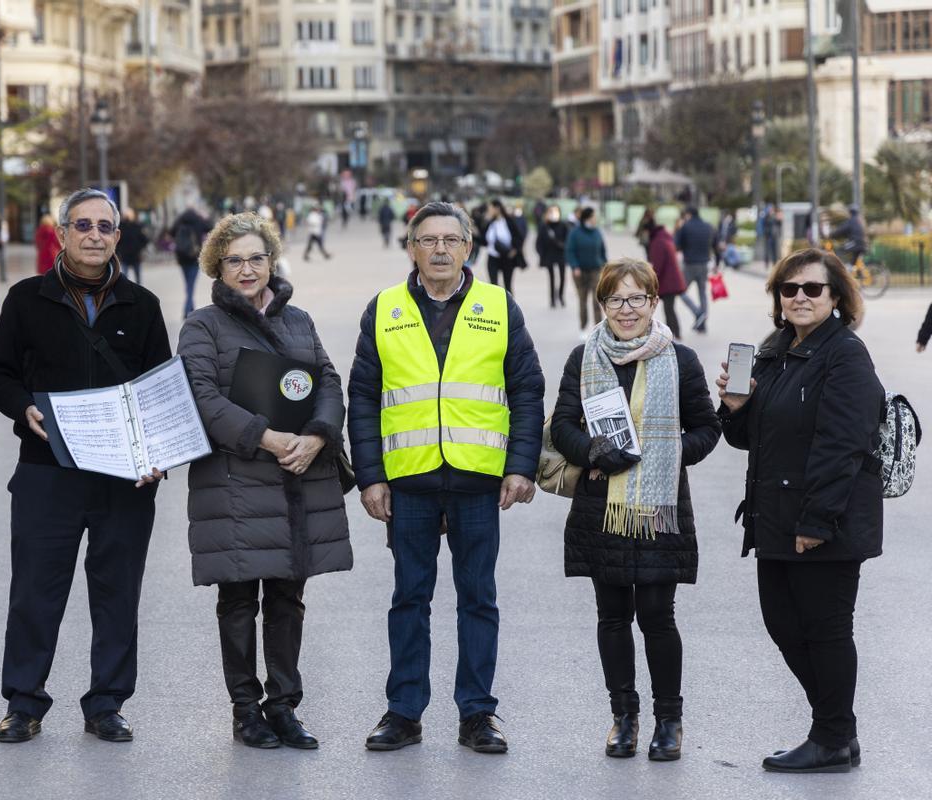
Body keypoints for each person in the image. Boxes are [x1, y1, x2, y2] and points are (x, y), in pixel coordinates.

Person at [348, 201, 544, 754]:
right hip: (408, 481)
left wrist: (521, 465)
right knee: (409, 596)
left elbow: (527, 388)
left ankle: (477, 714)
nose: (439, 249)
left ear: (468, 247)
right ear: (410, 248)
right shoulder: (384, 309)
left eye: (450, 240)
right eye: (427, 240)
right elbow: (362, 396)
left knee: (477, 598)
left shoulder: (499, 306)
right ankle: (403, 712)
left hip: (478, 479)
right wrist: (370, 475)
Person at [0, 188, 171, 745]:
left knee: (117, 594)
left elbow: (161, 391)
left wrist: (156, 456)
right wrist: (24, 408)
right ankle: (23, 701)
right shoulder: (26, 299)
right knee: (35, 593)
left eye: (104, 227)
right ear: (61, 233)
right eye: (81, 225)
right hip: (46, 471)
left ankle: (107, 703)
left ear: (117, 235)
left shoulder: (143, 304)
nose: (94, 235)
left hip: (123, 480)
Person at [178, 212, 353, 750]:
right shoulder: (201, 325)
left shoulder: (298, 319)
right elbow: (202, 398)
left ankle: (283, 706)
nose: (248, 269)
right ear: (218, 267)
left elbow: (327, 379)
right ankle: (244, 710)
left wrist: (319, 436)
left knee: (287, 598)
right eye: (235, 261)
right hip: (235, 481)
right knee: (237, 601)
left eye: (257, 258)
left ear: (271, 261)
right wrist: (270, 438)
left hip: (298, 478)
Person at [717, 248, 882, 774]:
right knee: (783, 623)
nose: (800, 298)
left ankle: (832, 736)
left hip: (823, 520)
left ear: (836, 296)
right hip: (776, 515)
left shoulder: (846, 355)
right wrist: (735, 409)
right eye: (790, 289)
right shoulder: (774, 350)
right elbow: (749, 439)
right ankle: (837, 729)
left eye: (813, 289)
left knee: (825, 628)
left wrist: (817, 522)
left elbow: (843, 446)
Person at [551, 258, 719, 763]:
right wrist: (593, 452)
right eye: (616, 300)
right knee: (612, 616)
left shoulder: (681, 360)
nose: (626, 310)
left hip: (658, 506)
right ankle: (623, 716)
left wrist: (665, 452)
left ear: (654, 302)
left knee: (656, 615)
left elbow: (707, 429)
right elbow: (561, 425)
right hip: (601, 507)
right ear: (602, 305)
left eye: (637, 298)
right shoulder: (584, 358)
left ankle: (669, 719)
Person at [565, 207, 607, 336]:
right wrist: (574, 266)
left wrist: (605, 266)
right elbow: (570, 251)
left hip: (595, 270)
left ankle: (598, 330)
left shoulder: (597, 232)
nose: (595, 219)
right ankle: (583, 328)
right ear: (587, 218)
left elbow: (602, 251)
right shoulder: (575, 233)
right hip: (580, 272)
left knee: (596, 300)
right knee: (582, 300)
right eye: (594, 216)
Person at [673, 207, 715, 333]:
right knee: (702, 293)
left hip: (690, 264)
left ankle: (697, 312)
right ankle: (702, 323)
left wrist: (678, 229)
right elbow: (714, 244)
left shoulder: (685, 226)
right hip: (704, 263)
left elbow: (676, 244)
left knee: (681, 290)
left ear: (688, 214)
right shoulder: (708, 226)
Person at [646, 214, 686, 340]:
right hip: (671, 280)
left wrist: (650, 280)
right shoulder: (664, 237)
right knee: (670, 308)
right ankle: (675, 332)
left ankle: (673, 334)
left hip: (669, 282)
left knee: (669, 309)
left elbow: (657, 265)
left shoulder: (658, 242)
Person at [171, 205, 213, 317]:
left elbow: (171, 232)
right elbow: (210, 227)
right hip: (194, 257)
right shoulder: (198, 220)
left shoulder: (180, 220)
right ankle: (187, 311)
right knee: (191, 285)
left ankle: (191, 308)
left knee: (188, 284)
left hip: (182, 257)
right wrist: (205, 217)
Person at [482, 198, 527, 295]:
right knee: (493, 286)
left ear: (497, 208)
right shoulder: (490, 223)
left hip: (507, 258)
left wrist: (515, 250)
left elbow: (519, 237)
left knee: (508, 286)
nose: (489, 211)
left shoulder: (509, 221)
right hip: (492, 257)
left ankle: (509, 309)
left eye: (491, 208)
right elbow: (484, 241)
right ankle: (495, 308)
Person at [535, 204, 570, 309]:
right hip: (549, 255)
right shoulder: (544, 226)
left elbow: (568, 240)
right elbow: (539, 242)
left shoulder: (563, 225)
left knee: (562, 276)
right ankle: (552, 299)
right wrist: (541, 254)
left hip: (561, 254)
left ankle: (560, 296)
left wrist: (563, 246)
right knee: (551, 277)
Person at [117, 208, 150, 284]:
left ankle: (136, 293)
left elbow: (144, 240)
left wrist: (139, 248)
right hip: (126, 256)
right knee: (125, 278)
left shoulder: (136, 226)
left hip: (134, 256)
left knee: (136, 277)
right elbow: (117, 241)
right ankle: (125, 293)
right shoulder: (121, 227)